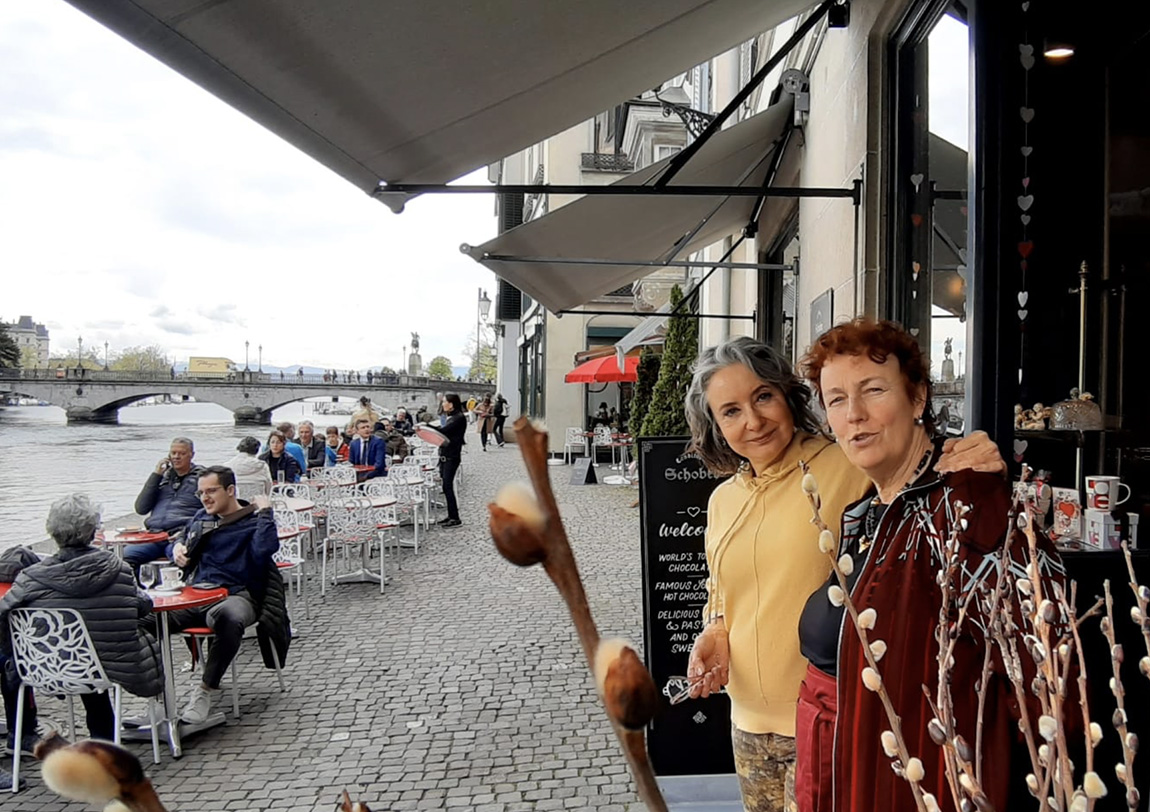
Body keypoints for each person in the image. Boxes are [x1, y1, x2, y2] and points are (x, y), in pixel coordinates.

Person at [682, 336, 1003, 812]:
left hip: (828, 719)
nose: (753, 421)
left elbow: (912, 468)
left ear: (788, 396)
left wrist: (965, 453)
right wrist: (715, 627)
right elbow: (720, 586)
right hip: (746, 720)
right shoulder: (722, 500)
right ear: (715, 426)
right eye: (731, 411)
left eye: (763, 396)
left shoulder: (846, 464)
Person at [795, 319, 1056, 812]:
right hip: (850, 774)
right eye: (836, 399)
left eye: (873, 390)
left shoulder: (965, 503)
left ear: (917, 398)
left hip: (920, 786)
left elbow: (1044, 674)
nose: (854, 414)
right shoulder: (865, 510)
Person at [0, 495, 163, 748]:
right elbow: (143, 606)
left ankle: (22, 733)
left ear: (51, 531)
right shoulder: (118, 568)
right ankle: (105, 742)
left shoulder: (31, 578)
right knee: (93, 659)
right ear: (92, 531)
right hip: (111, 665)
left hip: (50, 667)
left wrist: (14, 652)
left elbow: (5, 613)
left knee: (24, 658)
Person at [163, 466, 285, 723]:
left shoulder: (253, 522)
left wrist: (265, 512)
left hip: (236, 595)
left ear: (230, 490)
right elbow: (179, 538)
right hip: (196, 594)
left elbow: (265, 549)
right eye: (200, 493)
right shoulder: (201, 517)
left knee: (229, 618)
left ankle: (205, 689)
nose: (204, 498)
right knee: (146, 621)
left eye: (211, 491)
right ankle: (156, 698)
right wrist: (176, 548)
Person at [126, 437, 204, 570]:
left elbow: (212, 510)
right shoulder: (162, 478)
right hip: (155, 535)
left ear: (191, 455)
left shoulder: (201, 478)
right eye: (173, 453)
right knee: (125, 557)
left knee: (182, 558)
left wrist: (189, 532)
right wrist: (156, 475)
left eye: (182, 453)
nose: (176, 457)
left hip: (180, 535)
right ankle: (136, 583)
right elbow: (141, 508)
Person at [437, 394, 468, 528]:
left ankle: (455, 518)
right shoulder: (452, 417)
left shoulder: (458, 418)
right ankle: (451, 515)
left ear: (451, 404)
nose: (442, 404)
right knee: (446, 486)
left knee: (447, 486)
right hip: (446, 455)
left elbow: (444, 431)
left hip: (451, 456)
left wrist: (426, 427)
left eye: (444, 402)